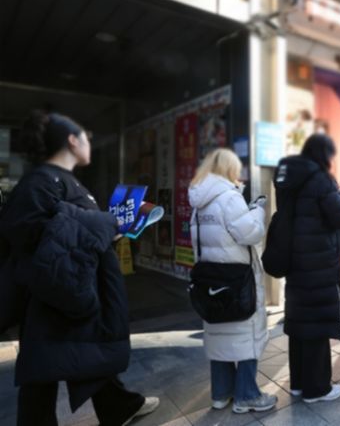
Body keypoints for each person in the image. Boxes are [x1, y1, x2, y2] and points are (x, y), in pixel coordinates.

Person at [0, 111, 159, 426]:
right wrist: (101, 224)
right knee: (43, 371)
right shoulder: (40, 181)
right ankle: (117, 407)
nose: (90, 141)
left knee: (84, 354)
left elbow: (72, 233)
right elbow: (27, 234)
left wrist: (111, 227)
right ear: (72, 141)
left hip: (74, 290)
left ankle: (119, 406)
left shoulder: (63, 180)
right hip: (55, 297)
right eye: (85, 135)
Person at [188, 148, 277, 413]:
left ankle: (221, 394)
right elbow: (250, 234)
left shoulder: (198, 204)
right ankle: (247, 396)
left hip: (210, 281)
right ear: (229, 169)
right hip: (237, 281)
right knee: (246, 336)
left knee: (219, 336)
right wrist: (258, 212)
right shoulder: (229, 198)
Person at [280, 134, 340, 403]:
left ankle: (299, 384)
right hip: (318, 262)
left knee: (299, 324)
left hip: (295, 262)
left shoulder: (289, 180)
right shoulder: (321, 180)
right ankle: (317, 389)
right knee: (317, 327)